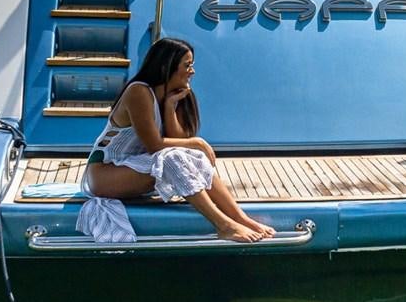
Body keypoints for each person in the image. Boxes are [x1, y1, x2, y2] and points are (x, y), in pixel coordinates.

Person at [78, 37, 274, 244]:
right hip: (104, 174)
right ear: (166, 66)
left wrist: (170, 107)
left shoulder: (172, 95)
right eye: (187, 65)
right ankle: (224, 226)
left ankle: (239, 218)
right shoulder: (138, 91)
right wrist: (198, 142)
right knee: (175, 156)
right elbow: (156, 145)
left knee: (190, 156)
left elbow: (177, 142)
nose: (192, 71)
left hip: (134, 169)